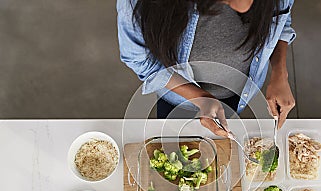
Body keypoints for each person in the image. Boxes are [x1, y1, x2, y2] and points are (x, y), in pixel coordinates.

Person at [117, 0, 296, 137]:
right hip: (176, 96)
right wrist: (200, 98)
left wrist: (280, 73)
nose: (243, 8)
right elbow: (140, 60)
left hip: (241, 91)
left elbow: (281, 20)